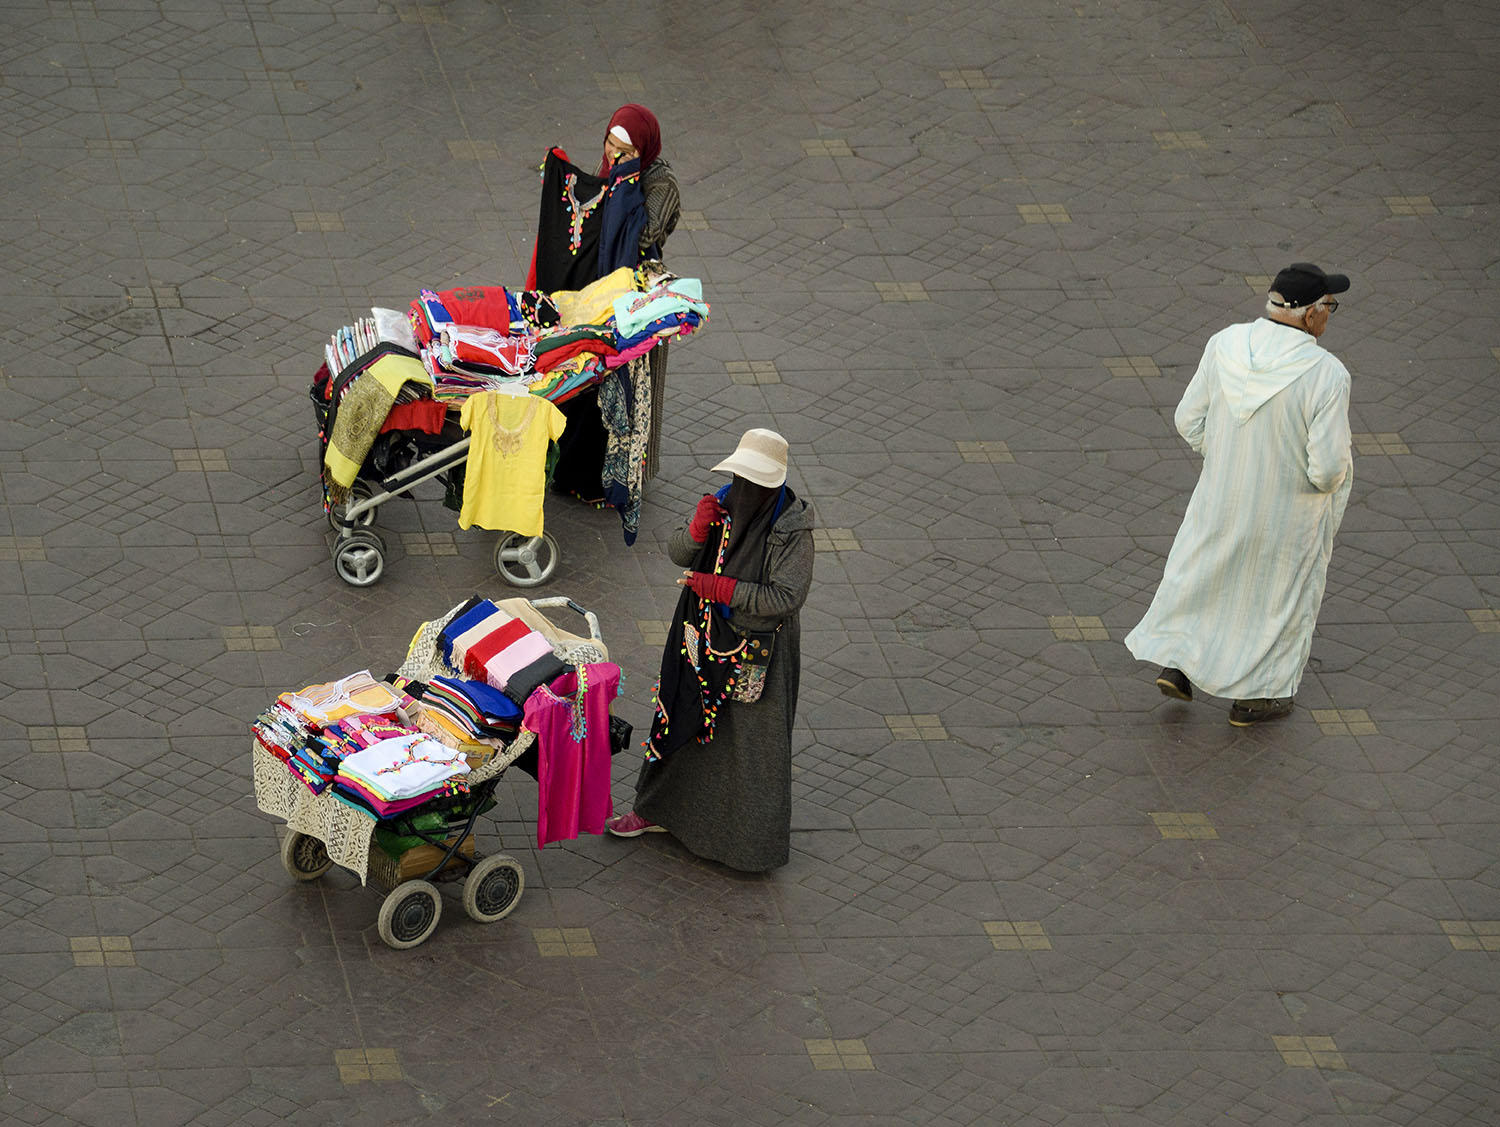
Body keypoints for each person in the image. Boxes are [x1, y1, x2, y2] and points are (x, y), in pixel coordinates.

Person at [1124, 262, 1354, 727]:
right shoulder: (1327, 375)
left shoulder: (1225, 343)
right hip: (1286, 516)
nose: (1330, 315)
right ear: (1310, 316)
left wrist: (1229, 458)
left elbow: (1188, 419)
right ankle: (1259, 697)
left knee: (1206, 578)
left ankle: (1182, 666)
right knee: (1273, 601)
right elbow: (1328, 468)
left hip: (1220, 499)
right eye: (1329, 306)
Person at [607, 428, 815, 871]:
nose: (743, 490)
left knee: (749, 751)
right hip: (697, 640)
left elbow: (785, 598)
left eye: (753, 483)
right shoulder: (722, 504)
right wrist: (696, 530)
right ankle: (656, 811)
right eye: (740, 478)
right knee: (678, 720)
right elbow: (679, 553)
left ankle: (746, 847)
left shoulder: (792, 532)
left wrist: (721, 589)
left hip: (756, 656)